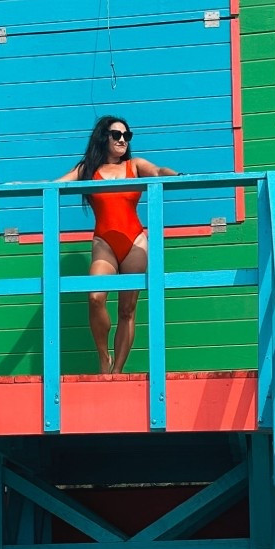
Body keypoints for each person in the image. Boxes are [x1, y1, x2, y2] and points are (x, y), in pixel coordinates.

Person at [59, 115, 176, 374]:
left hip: (134, 240)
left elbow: (158, 172)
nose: (122, 139)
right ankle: (104, 358)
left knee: (127, 309)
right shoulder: (88, 169)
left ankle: (117, 373)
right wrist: (26, 186)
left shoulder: (134, 165)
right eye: (116, 135)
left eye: (126, 135)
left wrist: (178, 175)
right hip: (104, 242)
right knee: (95, 297)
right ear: (104, 137)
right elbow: (59, 184)